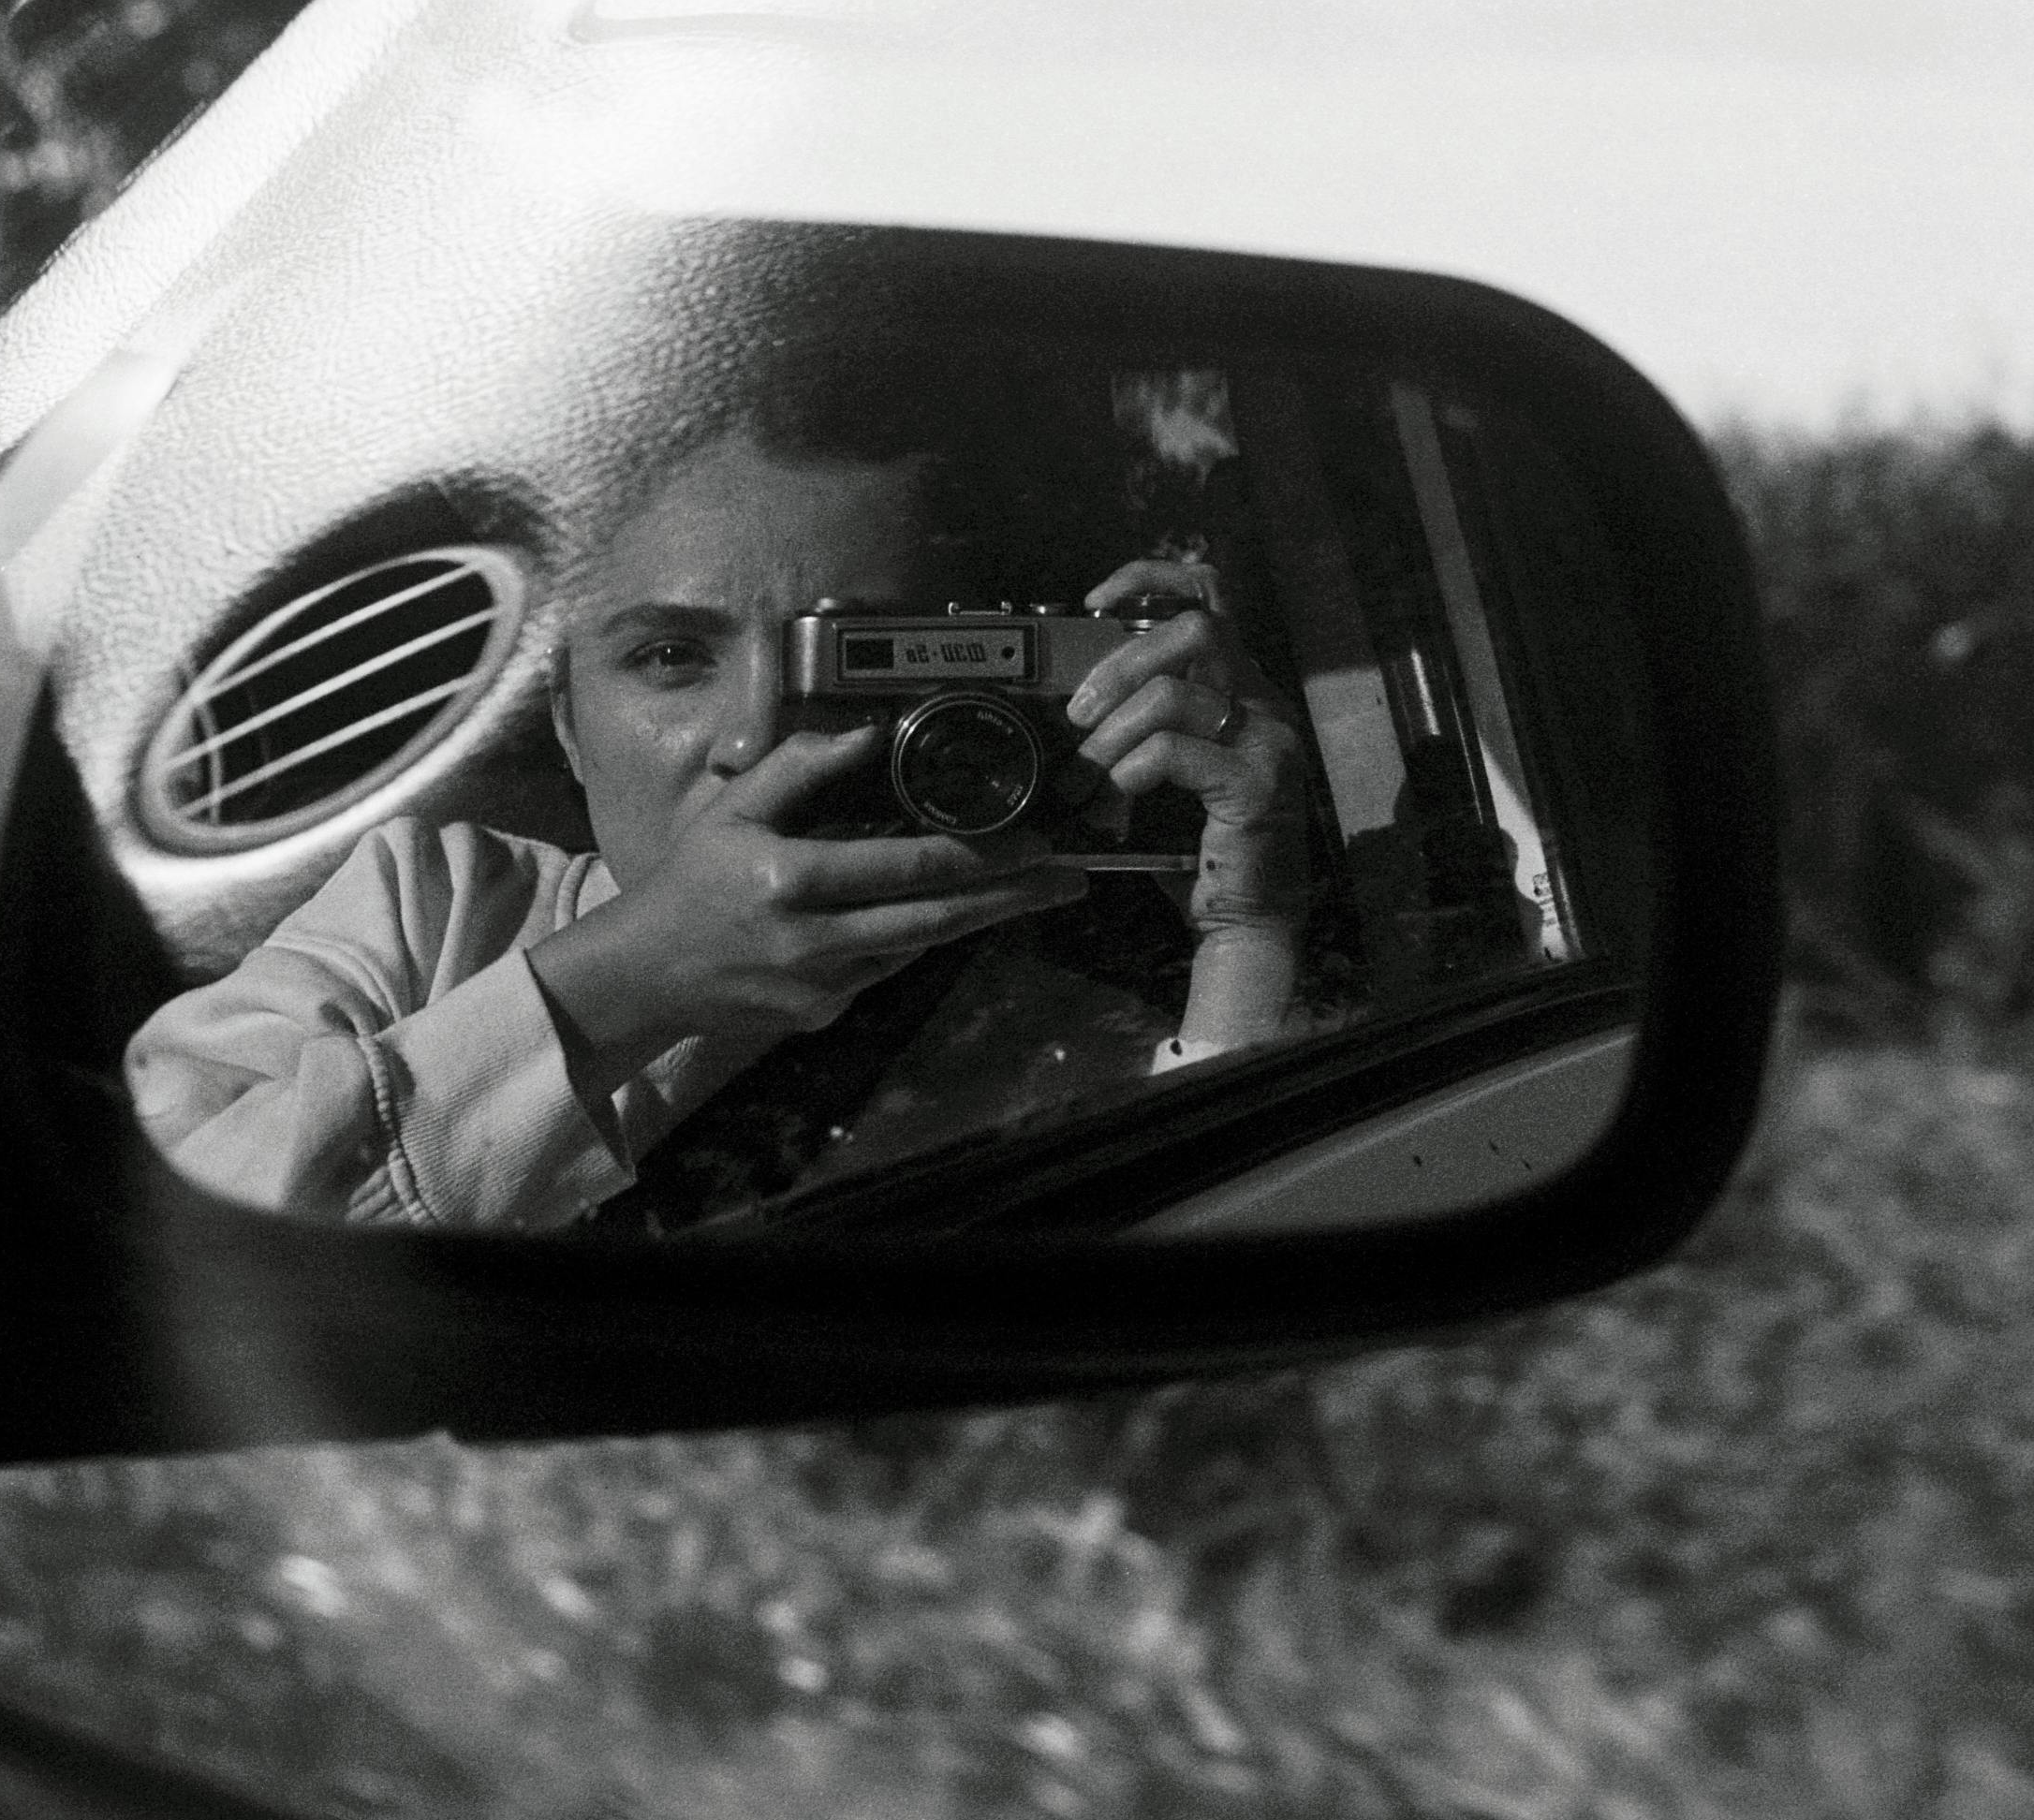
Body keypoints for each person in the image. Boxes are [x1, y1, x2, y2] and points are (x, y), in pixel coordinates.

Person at [125, 418, 1308, 1227]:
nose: (753, 736)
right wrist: (623, 985)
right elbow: (149, 1234)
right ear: (570, 721)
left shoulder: (1059, 1047)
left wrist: (1250, 934)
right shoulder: (426, 910)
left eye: (857, 661)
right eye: (672, 656)